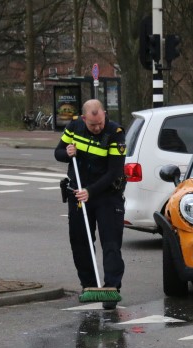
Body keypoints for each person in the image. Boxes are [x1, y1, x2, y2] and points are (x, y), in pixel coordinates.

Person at [54, 99, 127, 297]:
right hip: (78, 194)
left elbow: (114, 172)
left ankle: (112, 287)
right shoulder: (74, 127)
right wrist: (67, 153)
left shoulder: (115, 133)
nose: (97, 128)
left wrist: (91, 191)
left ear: (104, 114)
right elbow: (58, 153)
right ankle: (89, 286)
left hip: (107, 196)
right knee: (80, 241)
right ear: (84, 118)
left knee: (111, 242)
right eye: (92, 124)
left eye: (100, 123)